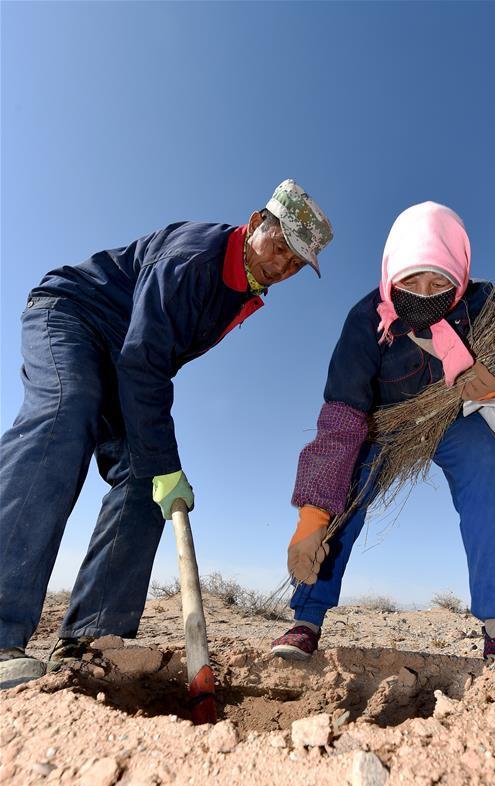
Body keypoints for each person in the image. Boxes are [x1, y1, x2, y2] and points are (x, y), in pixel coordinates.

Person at [0, 179, 333, 689]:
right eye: (281, 245)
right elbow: (143, 363)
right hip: (71, 316)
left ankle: (92, 638)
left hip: (122, 359)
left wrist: (161, 468)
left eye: (296, 263)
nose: (283, 265)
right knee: (68, 412)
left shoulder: (243, 287)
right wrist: (168, 463)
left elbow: (143, 367)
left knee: (143, 479)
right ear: (256, 222)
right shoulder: (195, 261)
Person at [271, 201, 495, 667]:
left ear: (459, 276)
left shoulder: (485, 305)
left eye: (439, 283)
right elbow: (342, 420)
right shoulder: (365, 321)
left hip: (451, 420)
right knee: (346, 488)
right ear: (391, 273)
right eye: (410, 281)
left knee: (485, 462)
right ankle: (306, 619)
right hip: (381, 426)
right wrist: (311, 519)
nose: (423, 294)